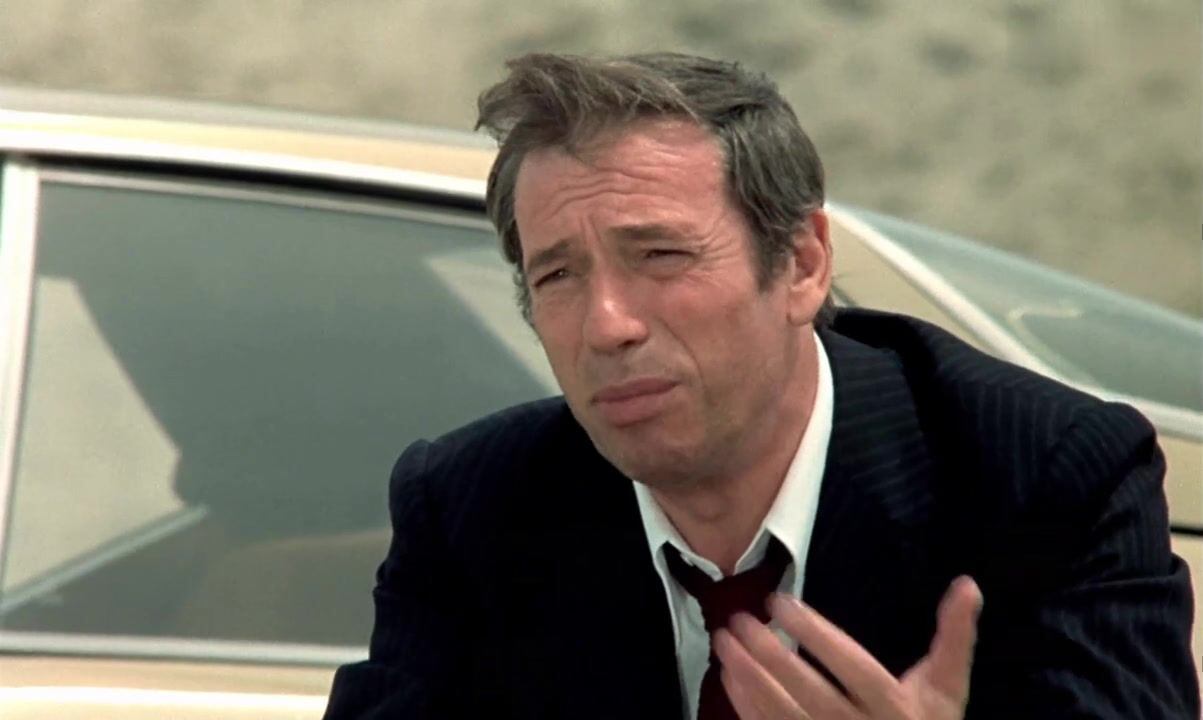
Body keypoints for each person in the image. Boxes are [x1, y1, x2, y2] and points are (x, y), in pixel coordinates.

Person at [323, 52, 1198, 720]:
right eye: (557, 276)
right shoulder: (475, 504)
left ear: (802, 266)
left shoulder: (1038, 473)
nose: (607, 325)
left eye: (659, 255)